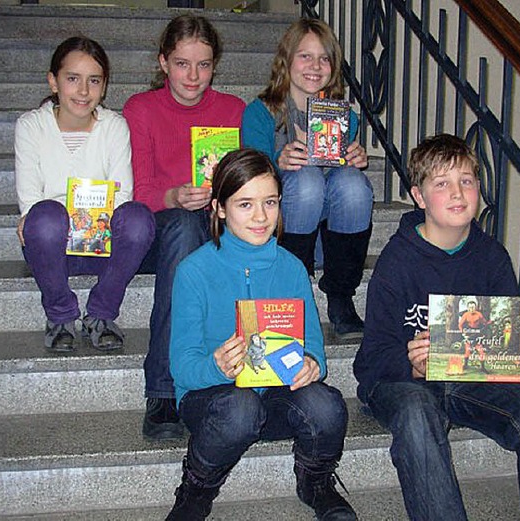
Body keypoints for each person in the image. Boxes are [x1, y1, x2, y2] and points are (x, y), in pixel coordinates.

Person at [353, 134, 520, 521]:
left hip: (466, 382)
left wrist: (518, 360)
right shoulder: (396, 262)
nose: (458, 192)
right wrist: (412, 365)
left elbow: (497, 351)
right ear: (419, 197)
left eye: (467, 180)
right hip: (403, 384)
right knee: (417, 410)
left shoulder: (492, 257)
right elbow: (370, 361)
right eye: (441, 183)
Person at [166, 149, 356, 520]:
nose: (260, 216)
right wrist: (217, 366)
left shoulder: (292, 268)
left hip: (274, 395)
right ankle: (196, 490)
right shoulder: (194, 270)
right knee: (240, 407)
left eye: (270, 202)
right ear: (219, 209)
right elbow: (183, 369)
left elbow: (313, 344)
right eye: (245, 204)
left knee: (328, 405)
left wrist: (312, 364)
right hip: (213, 402)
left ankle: (315, 482)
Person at [123, 14, 246, 440]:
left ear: (215, 64)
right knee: (182, 226)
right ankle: (162, 388)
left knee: (202, 228)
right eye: (181, 64)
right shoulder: (141, 108)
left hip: (214, 228)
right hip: (163, 234)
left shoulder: (233, 110)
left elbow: (245, 181)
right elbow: (138, 191)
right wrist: (173, 196)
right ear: (163, 62)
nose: (193, 76)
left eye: (204, 64)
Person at [14, 36, 155, 353]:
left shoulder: (115, 126)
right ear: (53, 81)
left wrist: (91, 230)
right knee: (45, 216)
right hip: (49, 247)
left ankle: (101, 313)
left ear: (104, 87)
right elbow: (30, 200)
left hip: (101, 243)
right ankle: (61, 315)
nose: (83, 91)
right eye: (72, 79)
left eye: (94, 81)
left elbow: (122, 195)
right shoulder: (31, 126)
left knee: (138, 218)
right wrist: (42, 219)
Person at [242, 18, 373, 340]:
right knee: (306, 179)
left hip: (331, 242)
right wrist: (276, 162)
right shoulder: (259, 114)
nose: (315, 66)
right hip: (284, 237)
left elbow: (341, 179)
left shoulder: (347, 118)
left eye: (324, 58)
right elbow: (247, 182)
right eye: (305, 56)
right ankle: (292, 291)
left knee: (354, 185)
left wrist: (354, 160)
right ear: (286, 60)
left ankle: (340, 296)